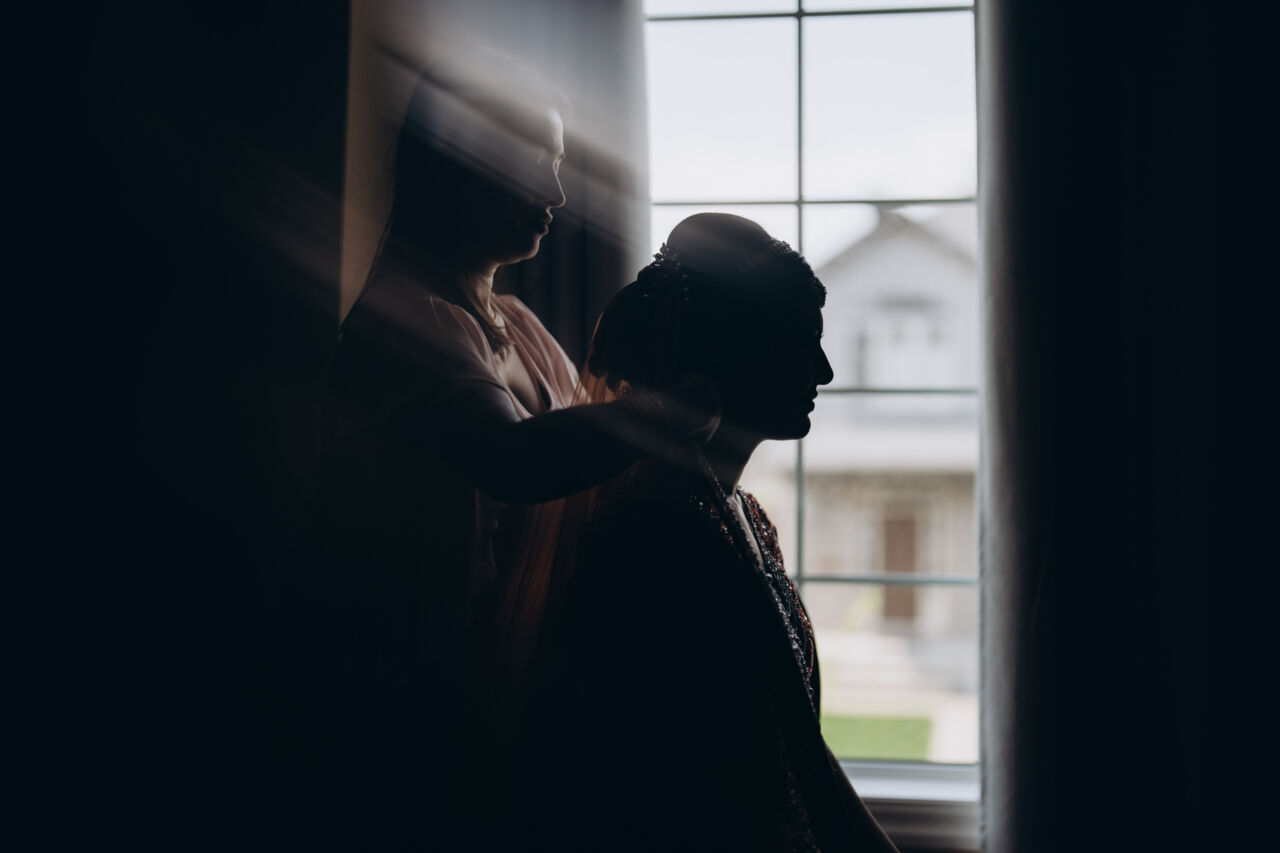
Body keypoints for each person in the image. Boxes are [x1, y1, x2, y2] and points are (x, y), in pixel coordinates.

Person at [295, 54, 717, 844]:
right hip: (407, 703)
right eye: (535, 162)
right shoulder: (408, 318)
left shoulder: (518, 325)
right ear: (458, 161)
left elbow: (582, 454)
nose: (557, 194)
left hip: (500, 688)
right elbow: (516, 460)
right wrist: (673, 412)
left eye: (559, 164)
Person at [511, 213, 899, 851]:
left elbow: (798, 744)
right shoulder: (658, 526)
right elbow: (683, 775)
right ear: (736, 349)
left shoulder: (742, 513)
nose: (826, 371)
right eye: (805, 341)